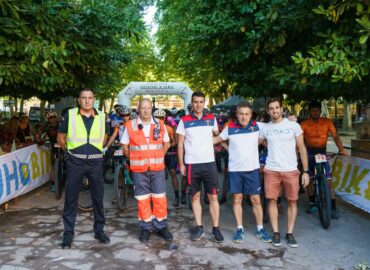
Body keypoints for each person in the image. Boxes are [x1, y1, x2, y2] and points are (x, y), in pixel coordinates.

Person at [57, 88, 110, 249]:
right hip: (75, 162)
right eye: (84, 98)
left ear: (94, 99)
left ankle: (99, 230)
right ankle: (68, 234)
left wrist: (95, 149)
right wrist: (70, 152)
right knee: (71, 198)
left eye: (90, 98)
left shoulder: (102, 116)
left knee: (98, 198)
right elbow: (60, 137)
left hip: (95, 162)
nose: (87, 100)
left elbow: (105, 137)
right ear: (79, 100)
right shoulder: (70, 115)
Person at [213, 102, 272, 244]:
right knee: (237, 199)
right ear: (237, 114)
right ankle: (239, 228)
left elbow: (277, 125)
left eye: (247, 114)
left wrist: (291, 120)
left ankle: (260, 229)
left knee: (256, 200)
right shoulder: (230, 127)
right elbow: (217, 139)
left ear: (251, 115)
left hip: (252, 170)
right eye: (241, 114)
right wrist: (198, 138)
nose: (244, 117)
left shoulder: (258, 126)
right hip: (235, 171)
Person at [121, 98, 173, 243]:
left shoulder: (160, 124)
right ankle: (145, 227)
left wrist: (159, 156)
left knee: (159, 198)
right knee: (143, 199)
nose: (145, 110)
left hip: (157, 168)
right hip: (139, 169)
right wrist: (132, 158)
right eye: (142, 108)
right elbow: (124, 145)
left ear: (152, 109)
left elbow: (167, 143)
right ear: (138, 108)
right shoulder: (130, 125)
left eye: (148, 108)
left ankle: (161, 226)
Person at [259, 97, 309, 248]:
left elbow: (302, 148)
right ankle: (275, 232)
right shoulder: (265, 128)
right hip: (272, 170)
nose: (274, 110)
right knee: (272, 200)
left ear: (281, 108)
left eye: (276, 107)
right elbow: (259, 141)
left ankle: (289, 233)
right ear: (268, 111)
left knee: (292, 201)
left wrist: (305, 171)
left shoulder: (293, 125)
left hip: (291, 170)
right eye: (271, 108)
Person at [177, 91, 224, 242]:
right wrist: (181, 163)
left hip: (209, 163)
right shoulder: (184, 120)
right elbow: (179, 144)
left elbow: (218, 135)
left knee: (213, 197)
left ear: (204, 103)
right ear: (192, 103)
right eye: (195, 102)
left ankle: (216, 229)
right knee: (195, 196)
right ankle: (199, 227)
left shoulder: (211, 119)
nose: (198, 105)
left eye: (201, 102)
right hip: (192, 164)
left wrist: (219, 143)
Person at [300, 100, 348, 219]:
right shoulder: (304, 124)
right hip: (309, 154)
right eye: (313, 111)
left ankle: (333, 208)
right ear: (310, 112)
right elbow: (299, 140)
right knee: (309, 180)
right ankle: (313, 203)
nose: (315, 113)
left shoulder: (328, 122)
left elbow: (335, 136)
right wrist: (297, 151)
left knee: (328, 181)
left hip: (322, 153)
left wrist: (341, 149)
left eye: (317, 110)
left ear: (320, 111)